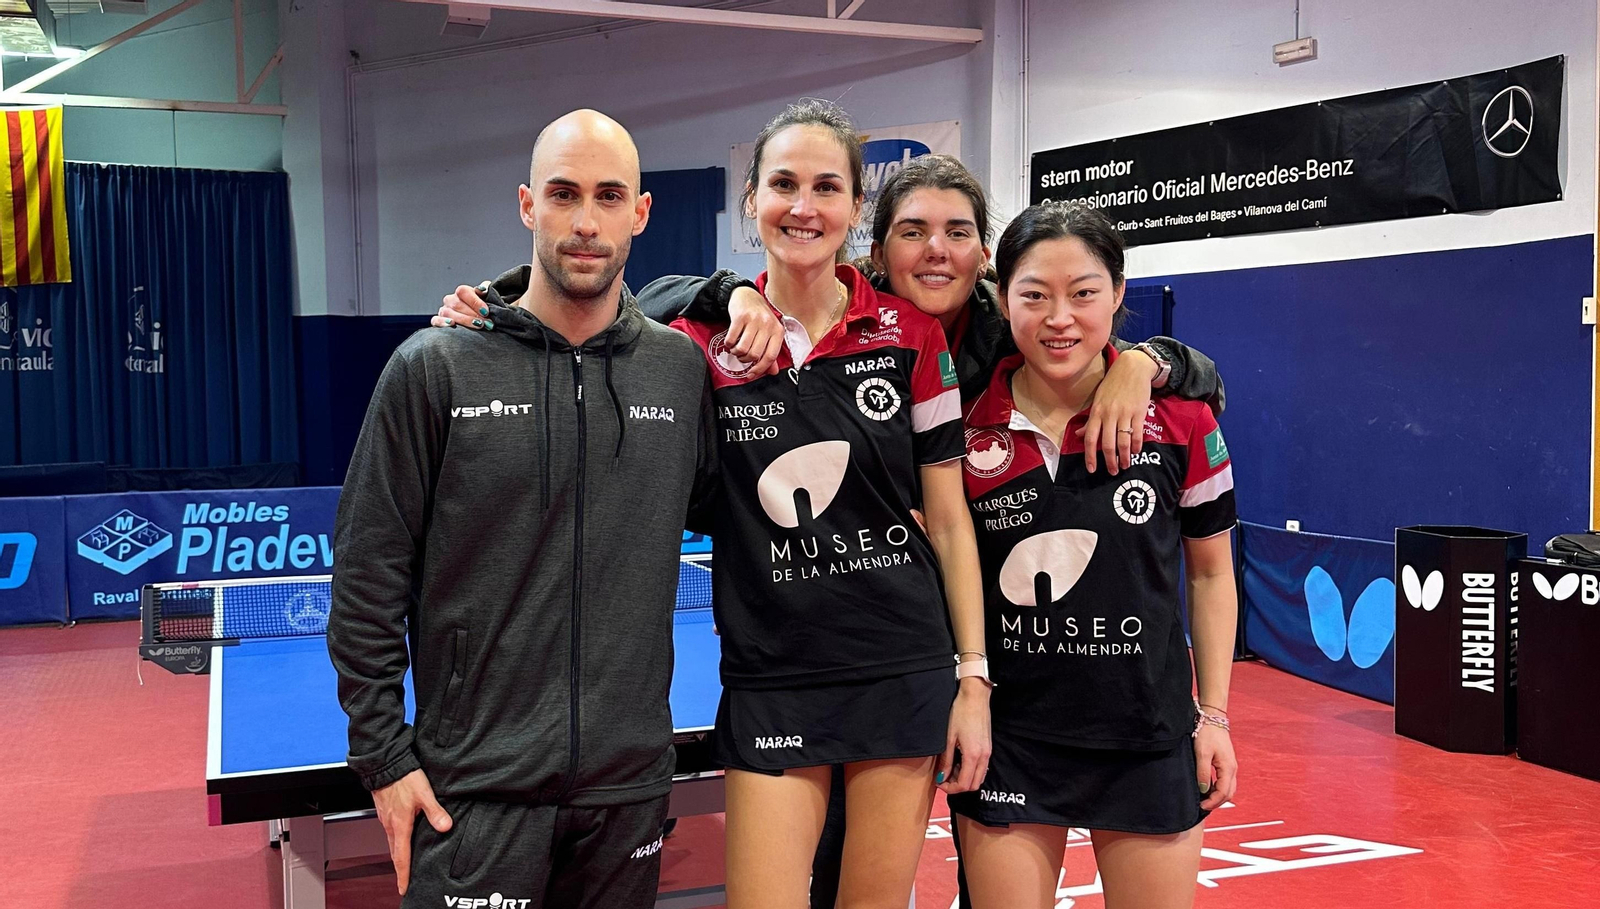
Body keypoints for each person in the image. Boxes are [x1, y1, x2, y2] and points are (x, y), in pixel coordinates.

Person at [436, 152, 1227, 908]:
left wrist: (1145, 361)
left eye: (957, 232)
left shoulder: (1005, 342)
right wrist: (719, 293)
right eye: (913, 231)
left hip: (949, 673)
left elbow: (1157, 386)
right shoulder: (760, 330)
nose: (937, 251)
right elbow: (630, 301)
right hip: (814, 672)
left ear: (983, 257)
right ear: (877, 246)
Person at [433, 99, 990, 909]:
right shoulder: (699, 343)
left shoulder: (911, 336)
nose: (804, 205)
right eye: (784, 183)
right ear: (751, 200)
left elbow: (946, 519)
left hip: (898, 662)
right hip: (771, 670)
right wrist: (493, 304)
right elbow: (604, 301)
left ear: (855, 207)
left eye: (827, 186)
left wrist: (971, 678)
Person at [326, 109, 718, 909]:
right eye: (563, 193)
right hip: (473, 788)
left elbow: (753, 521)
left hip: (625, 790)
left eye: (610, 196)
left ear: (640, 213)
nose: (584, 221)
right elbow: (367, 574)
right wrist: (384, 759)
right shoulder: (434, 368)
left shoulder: (678, 373)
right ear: (525, 204)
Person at [946, 202, 1239, 909]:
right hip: (1011, 732)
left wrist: (1216, 715)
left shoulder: (1180, 421)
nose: (1060, 317)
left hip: (1145, 728)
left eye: (1084, 292)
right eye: (1034, 294)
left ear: (1117, 293)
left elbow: (1211, 572)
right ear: (1002, 295)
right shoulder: (960, 421)